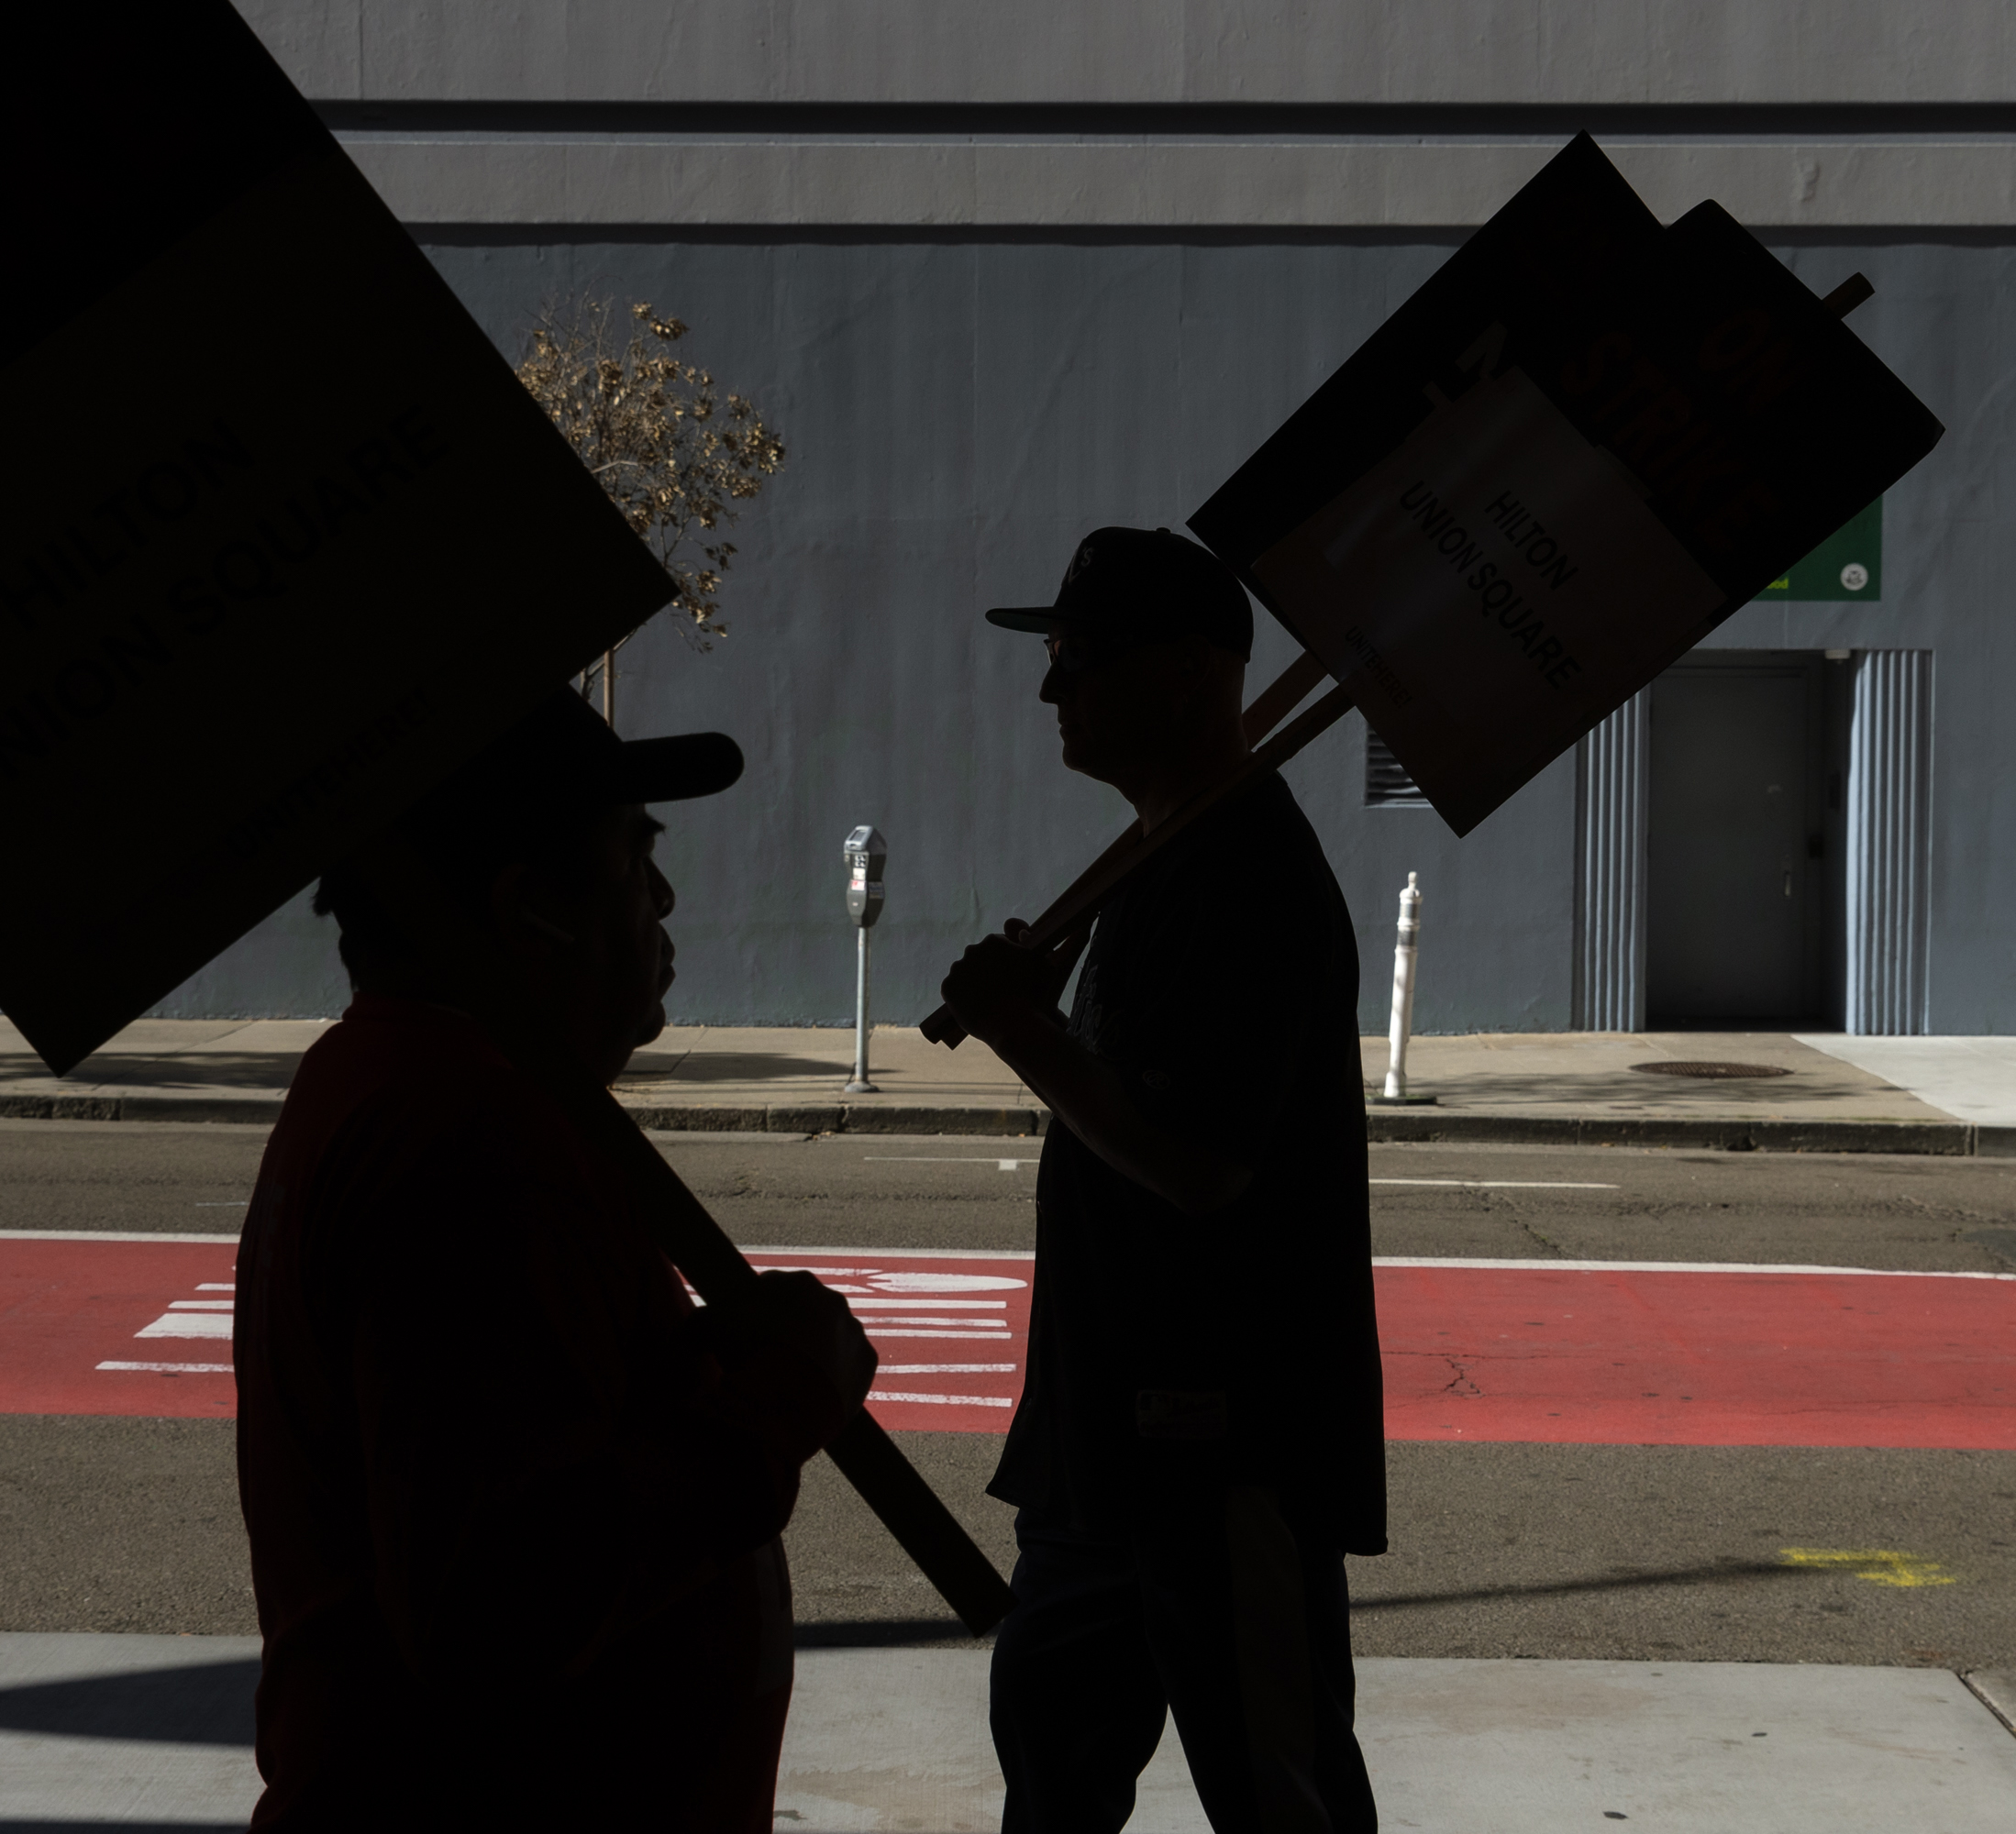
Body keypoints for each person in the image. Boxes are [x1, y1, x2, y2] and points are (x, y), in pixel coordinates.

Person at [234, 690, 877, 1830]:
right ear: (531, 909)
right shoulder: (470, 1137)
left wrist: (684, 1366)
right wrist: (775, 1409)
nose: (664, 900)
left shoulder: (406, 1086)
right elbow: (499, 1601)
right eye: (634, 859)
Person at [939, 526, 1385, 1833]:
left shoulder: (1243, 871)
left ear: (1190, 676)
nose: (1048, 690)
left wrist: (1027, 1035)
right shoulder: (1163, 857)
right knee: (1055, 1774)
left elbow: (1198, 1165)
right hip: (1099, 1443)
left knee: (1276, 1789)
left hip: (1218, 1439)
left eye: (1077, 659)